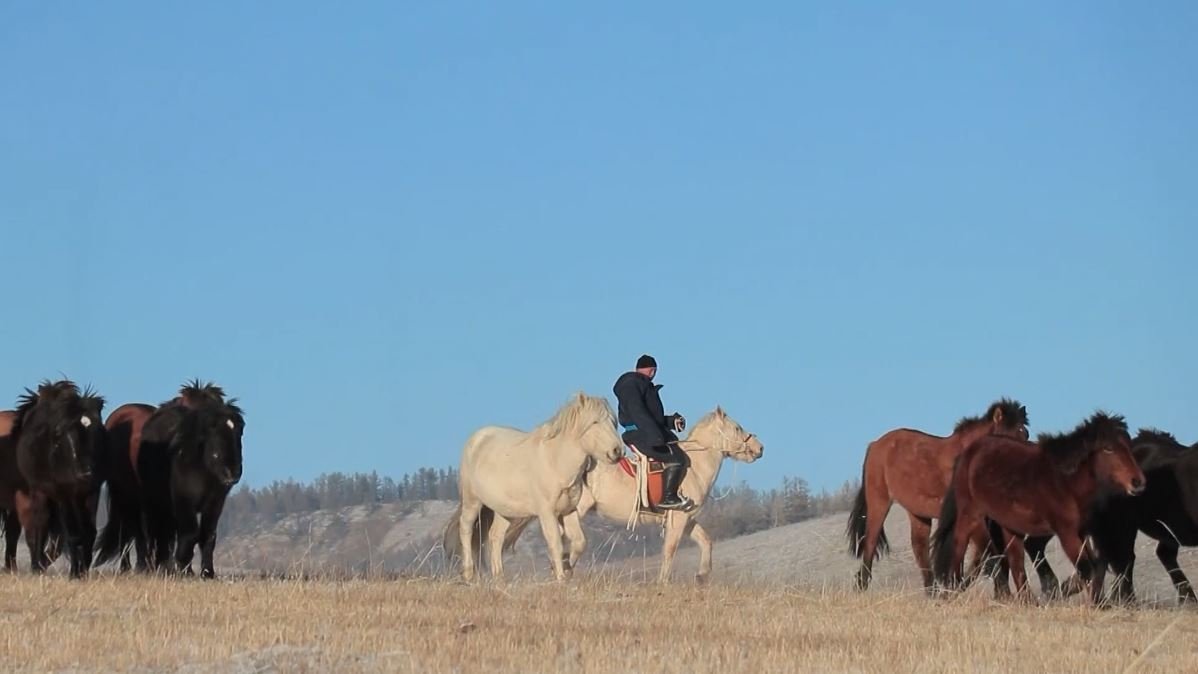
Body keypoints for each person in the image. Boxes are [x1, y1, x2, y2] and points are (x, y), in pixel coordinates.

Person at [613, 354, 693, 511]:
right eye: (654, 371)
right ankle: (668, 498)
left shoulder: (641, 385)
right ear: (652, 370)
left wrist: (670, 421)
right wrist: (655, 436)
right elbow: (638, 413)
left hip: (645, 432)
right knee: (676, 458)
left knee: (675, 451)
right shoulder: (632, 385)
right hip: (639, 436)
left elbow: (650, 417)